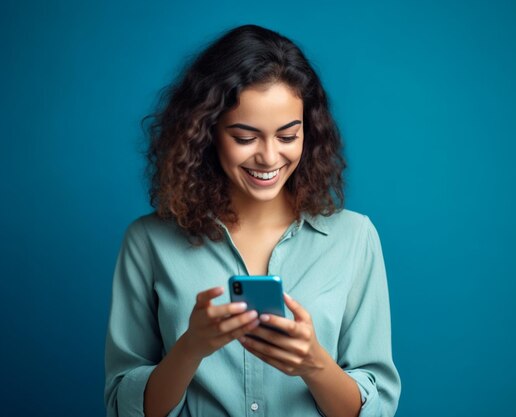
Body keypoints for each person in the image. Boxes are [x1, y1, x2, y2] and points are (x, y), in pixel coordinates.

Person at [104, 24, 401, 417]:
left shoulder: (354, 238)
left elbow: (376, 408)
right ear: (205, 133)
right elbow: (123, 406)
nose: (268, 157)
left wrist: (313, 362)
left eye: (287, 136)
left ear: (308, 133)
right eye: (245, 137)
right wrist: (191, 347)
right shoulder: (148, 241)